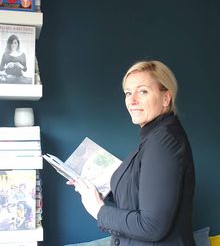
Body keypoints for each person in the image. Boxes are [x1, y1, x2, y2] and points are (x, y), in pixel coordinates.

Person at [68, 60, 196, 246]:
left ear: (166, 98)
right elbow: (141, 194)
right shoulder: (154, 137)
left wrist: (98, 209)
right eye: (128, 93)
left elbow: (151, 226)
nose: (132, 100)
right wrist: (94, 188)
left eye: (143, 91)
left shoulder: (164, 142)